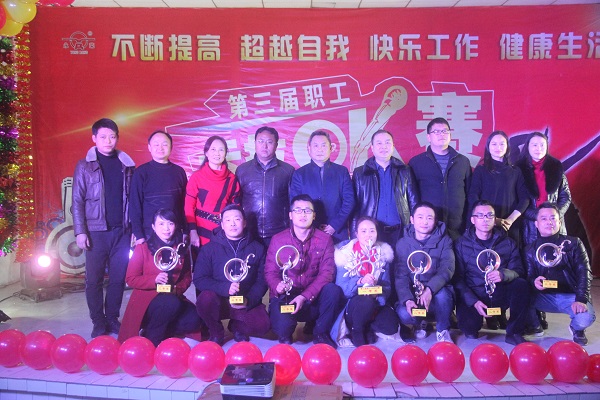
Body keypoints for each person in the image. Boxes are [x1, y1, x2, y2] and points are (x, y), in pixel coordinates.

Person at [72, 118, 135, 338]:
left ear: (117, 138)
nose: (108, 141)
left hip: (122, 231)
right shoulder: (84, 166)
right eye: (103, 137)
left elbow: (133, 200)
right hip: (95, 231)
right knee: (94, 280)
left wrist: (134, 229)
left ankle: (112, 319)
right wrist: (80, 231)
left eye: (112, 136)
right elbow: (77, 200)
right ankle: (98, 321)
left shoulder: (127, 165)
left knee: (118, 279)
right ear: (94, 139)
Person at [264, 194, 345, 348]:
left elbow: (327, 273)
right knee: (283, 331)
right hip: (287, 297)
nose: (303, 214)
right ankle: (287, 328)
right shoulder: (278, 239)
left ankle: (320, 332)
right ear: (290, 215)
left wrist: (304, 296)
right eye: (298, 210)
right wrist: (277, 285)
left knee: (333, 291)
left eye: (307, 211)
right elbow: (270, 272)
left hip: (312, 297)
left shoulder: (325, 239)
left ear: (314, 215)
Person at [118, 209, 204, 346]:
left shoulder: (181, 249)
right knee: (170, 303)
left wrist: (177, 289)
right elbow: (130, 278)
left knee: (195, 319)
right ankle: (152, 338)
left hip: (173, 296)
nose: (166, 228)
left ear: (175, 225)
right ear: (153, 227)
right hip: (148, 300)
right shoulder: (143, 248)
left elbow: (187, 277)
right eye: (161, 224)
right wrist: (154, 279)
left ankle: (161, 329)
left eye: (170, 224)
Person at [453, 200, 529, 345]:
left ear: (495, 220)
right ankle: (479, 317)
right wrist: (474, 301)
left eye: (489, 215)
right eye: (480, 216)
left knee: (521, 285)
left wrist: (503, 275)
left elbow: (518, 270)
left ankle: (514, 332)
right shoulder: (461, 244)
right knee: (469, 329)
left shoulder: (508, 243)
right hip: (474, 294)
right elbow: (457, 278)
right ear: (473, 220)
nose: (485, 219)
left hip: (499, 292)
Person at [193, 204, 270, 345]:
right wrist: (225, 288)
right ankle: (216, 331)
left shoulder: (257, 248)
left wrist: (249, 300)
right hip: (219, 300)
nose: (232, 224)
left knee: (262, 325)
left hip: (243, 299)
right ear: (222, 225)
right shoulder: (209, 249)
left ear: (244, 223)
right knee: (205, 300)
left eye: (237, 219)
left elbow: (262, 280)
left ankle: (237, 326)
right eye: (228, 220)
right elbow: (199, 279)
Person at [525, 203, 595, 345]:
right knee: (519, 293)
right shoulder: (530, 249)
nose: (549, 222)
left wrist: (581, 298)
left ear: (560, 222)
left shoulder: (574, 244)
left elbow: (584, 272)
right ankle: (535, 324)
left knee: (586, 318)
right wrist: (534, 281)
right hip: (544, 297)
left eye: (553, 218)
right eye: (544, 218)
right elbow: (529, 275)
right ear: (536, 224)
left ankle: (576, 329)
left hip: (570, 296)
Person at [331, 217, 398, 347]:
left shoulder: (383, 253)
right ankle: (356, 330)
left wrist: (378, 294)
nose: (368, 235)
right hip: (353, 304)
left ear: (377, 233)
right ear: (356, 234)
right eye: (363, 231)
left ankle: (367, 327)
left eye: (372, 231)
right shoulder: (345, 254)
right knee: (365, 302)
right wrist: (360, 281)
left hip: (375, 302)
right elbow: (342, 289)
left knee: (391, 327)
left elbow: (387, 286)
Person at [395, 202, 455, 343]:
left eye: (429, 218)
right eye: (420, 217)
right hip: (414, 293)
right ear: (412, 219)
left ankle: (443, 330)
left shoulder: (445, 241)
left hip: (436, 292)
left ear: (435, 221)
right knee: (403, 313)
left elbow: (447, 268)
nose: (424, 222)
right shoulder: (402, 243)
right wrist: (408, 299)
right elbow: (400, 276)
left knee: (443, 295)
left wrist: (429, 289)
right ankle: (419, 323)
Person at [352, 129, 418, 247]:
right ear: (372, 147)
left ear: (393, 146)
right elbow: (355, 208)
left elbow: (414, 201)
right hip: (372, 234)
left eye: (387, 142)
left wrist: (414, 230)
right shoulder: (360, 173)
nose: (384, 146)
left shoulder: (405, 170)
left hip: (400, 232)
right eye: (379, 143)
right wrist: (354, 236)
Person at [409, 117, 472, 240]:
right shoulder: (416, 163)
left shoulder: (463, 162)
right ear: (428, 137)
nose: (441, 134)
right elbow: (412, 196)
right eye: (436, 132)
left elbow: (469, 194)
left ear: (450, 135)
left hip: (457, 227)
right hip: (427, 229)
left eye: (444, 131)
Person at [289, 130, 355, 243]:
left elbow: (349, 201)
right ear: (309, 148)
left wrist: (334, 225)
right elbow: (295, 204)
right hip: (308, 232)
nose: (320, 149)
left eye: (324, 145)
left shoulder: (342, 172)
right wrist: (313, 225)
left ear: (331, 148)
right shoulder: (299, 174)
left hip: (337, 232)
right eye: (316, 145)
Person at [236, 126, 295, 248]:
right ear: (255, 143)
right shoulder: (242, 170)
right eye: (261, 141)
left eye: (269, 142)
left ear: (276, 145)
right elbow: (237, 201)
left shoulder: (288, 171)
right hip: (249, 232)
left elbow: (293, 203)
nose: (264, 146)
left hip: (278, 232)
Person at [468, 131, 529, 245]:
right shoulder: (481, 170)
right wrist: (492, 219)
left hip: (509, 224)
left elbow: (524, 199)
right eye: (494, 144)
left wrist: (510, 220)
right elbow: (473, 196)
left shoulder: (515, 171)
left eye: (502, 144)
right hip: (485, 223)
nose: (498, 147)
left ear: (507, 147)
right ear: (488, 147)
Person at [130, 130, 188, 244]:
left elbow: (185, 204)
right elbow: (135, 205)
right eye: (156, 144)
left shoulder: (179, 172)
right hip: (148, 234)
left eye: (164, 144)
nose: (160, 148)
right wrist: (139, 235)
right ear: (149, 147)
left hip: (175, 233)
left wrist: (186, 230)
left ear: (171, 147)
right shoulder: (141, 172)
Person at [515, 131, 571, 247]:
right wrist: (538, 216)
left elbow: (565, 196)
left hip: (554, 224)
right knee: (532, 255)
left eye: (542, 145)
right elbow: (515, 199)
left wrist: (554, 216)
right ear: (528, 147)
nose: (538, 148)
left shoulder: (555, 167)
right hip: (530, 225)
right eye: (534, 145)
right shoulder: (518, 169)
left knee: (557, 254)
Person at [184, 135, 240, 248]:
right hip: (200, 233)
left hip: (223, 233)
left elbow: (235, 207)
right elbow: (189, 206)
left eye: (221, 150)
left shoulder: (232, 179)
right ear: (206, 152)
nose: (217, 153)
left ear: (226, 153)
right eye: (213, 149)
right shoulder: (196, 177)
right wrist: (192, 231)